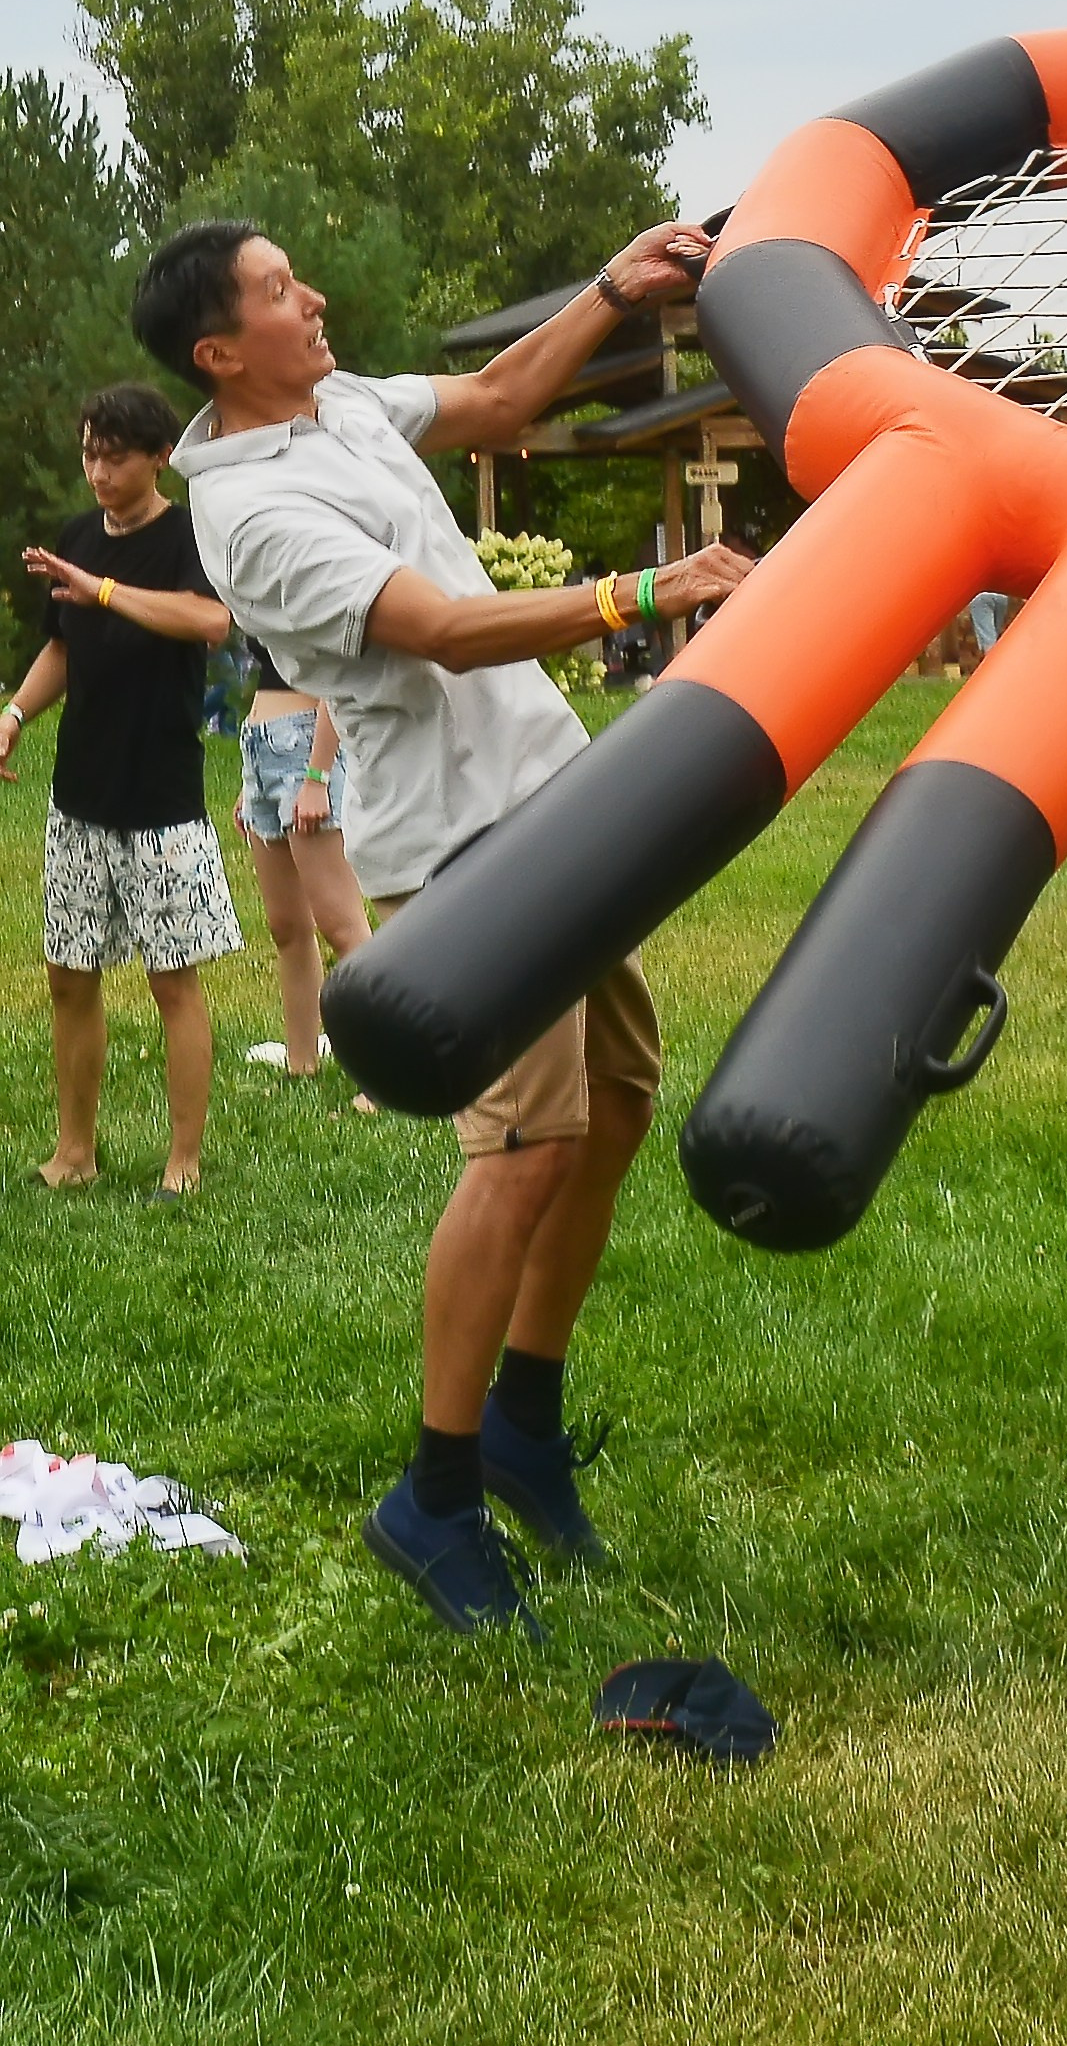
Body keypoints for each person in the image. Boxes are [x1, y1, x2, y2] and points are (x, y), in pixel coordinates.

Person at [137, 216, 750, 1638]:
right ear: (219, 350)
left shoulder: (340, 400)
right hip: (463, 845)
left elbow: (495, 397)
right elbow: (438, 628)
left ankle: (525, 1421)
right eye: (280, 291)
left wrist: (611, 287)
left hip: (549, 792)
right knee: (521, 1146)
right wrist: (645, 591)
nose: (314, 297)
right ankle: (436, 1491)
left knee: (615, 1102)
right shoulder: (250, 513)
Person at [0, 381, 242, 1196]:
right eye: (88, 456)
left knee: (173, 982)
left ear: (160, 457)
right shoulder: (79, 535)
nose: (98, 473)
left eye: (114, 458)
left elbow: (209, 622)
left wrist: (101, 588)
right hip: (80, 796)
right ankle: (74, 1152)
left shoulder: (189, 535)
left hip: (161, 801)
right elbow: (63, 648)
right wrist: (15, 713)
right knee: (69, 975)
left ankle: (184, 1161)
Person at [233, 639, 375, 1082]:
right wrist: (252, 781)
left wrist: (317, 776)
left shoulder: (308, 596)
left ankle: (380, 1074)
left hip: (305, 748)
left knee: (342, 925)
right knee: (287, 927)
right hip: (262, 748)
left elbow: (336, 677)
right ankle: (301, 1062)